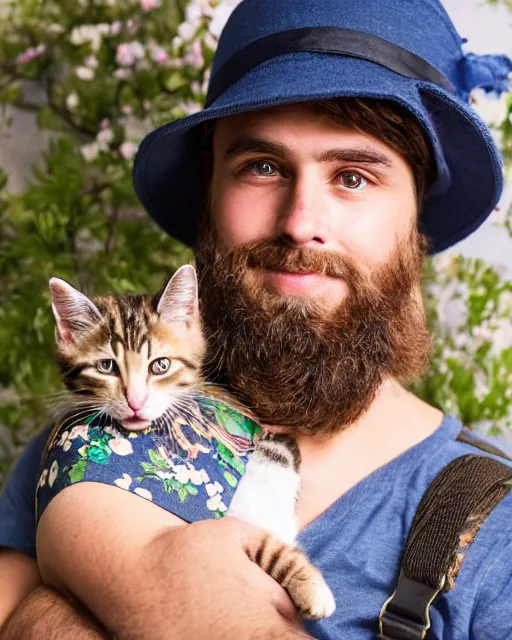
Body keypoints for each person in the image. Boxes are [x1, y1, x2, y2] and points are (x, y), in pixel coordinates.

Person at [1, 0, 512, 638]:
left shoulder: (499, 541)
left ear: (417, 224)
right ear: (207, 199)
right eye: (263, 167)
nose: (300, 222)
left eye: (353, 177)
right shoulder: (106, 422)